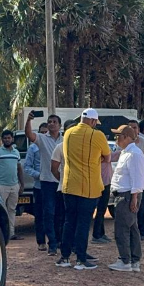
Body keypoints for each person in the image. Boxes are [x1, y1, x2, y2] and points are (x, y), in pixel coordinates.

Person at [55, 109, 111, 270]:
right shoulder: (97, 135)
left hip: (69, 185)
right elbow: (107, 157)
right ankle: (80, 259)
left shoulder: (68, 133)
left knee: (69, 221)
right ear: (93, 121)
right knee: (83, 223)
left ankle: (65, 257)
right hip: (89, 186)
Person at [107, 125, 144, 272]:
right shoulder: (127, 152)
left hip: (127, 195)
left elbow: (137, 177)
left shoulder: (134, 154)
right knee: (131, 227)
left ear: (126, 137)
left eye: (118, 136)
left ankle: (125, 260)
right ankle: (134, 260)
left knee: (122, 229)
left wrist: (134, 197)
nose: (116, 139)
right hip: (126, 195)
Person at [25, 112, 63, 255]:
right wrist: (28, 120)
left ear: (59, 125)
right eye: (49, 121)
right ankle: (51, 243)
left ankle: (59, 240)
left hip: (61, 181)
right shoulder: (42, 138)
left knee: (61, 213)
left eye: (54, 122)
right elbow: (29, 134)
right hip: (47, 182)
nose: (51, 124)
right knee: (48, 213)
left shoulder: (65, 140)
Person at [0, 130, 25, 240]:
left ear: (12, 139)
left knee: (12, 210)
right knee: (1, 210)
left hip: (14, 185)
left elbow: (19, 169)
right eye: (5, 138)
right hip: (2, 186)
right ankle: (0, 235)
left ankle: (11, 233)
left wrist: (22, 184)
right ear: (2, 139)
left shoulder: (16, 152)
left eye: (9, 138)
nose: (7, 140)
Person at [25, 124, 48, 251]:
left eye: (46, 132)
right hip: (39, 186)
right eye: (42, 132)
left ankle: (55, 241)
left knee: (55, 213)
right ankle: (41, 242)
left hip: (53, 185)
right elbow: (27, 167)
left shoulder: (54, 145)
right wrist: (38, 175)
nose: (44, 134)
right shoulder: (33, 148)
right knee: (40, 215)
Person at [91, 141, 114, 244]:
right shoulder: (101, 156)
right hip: (101, 184)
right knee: (100, 210)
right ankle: (96, 235)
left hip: (104, 183)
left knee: (102, 210)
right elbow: (111, 157)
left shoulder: (104, 155)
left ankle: (100, 233)